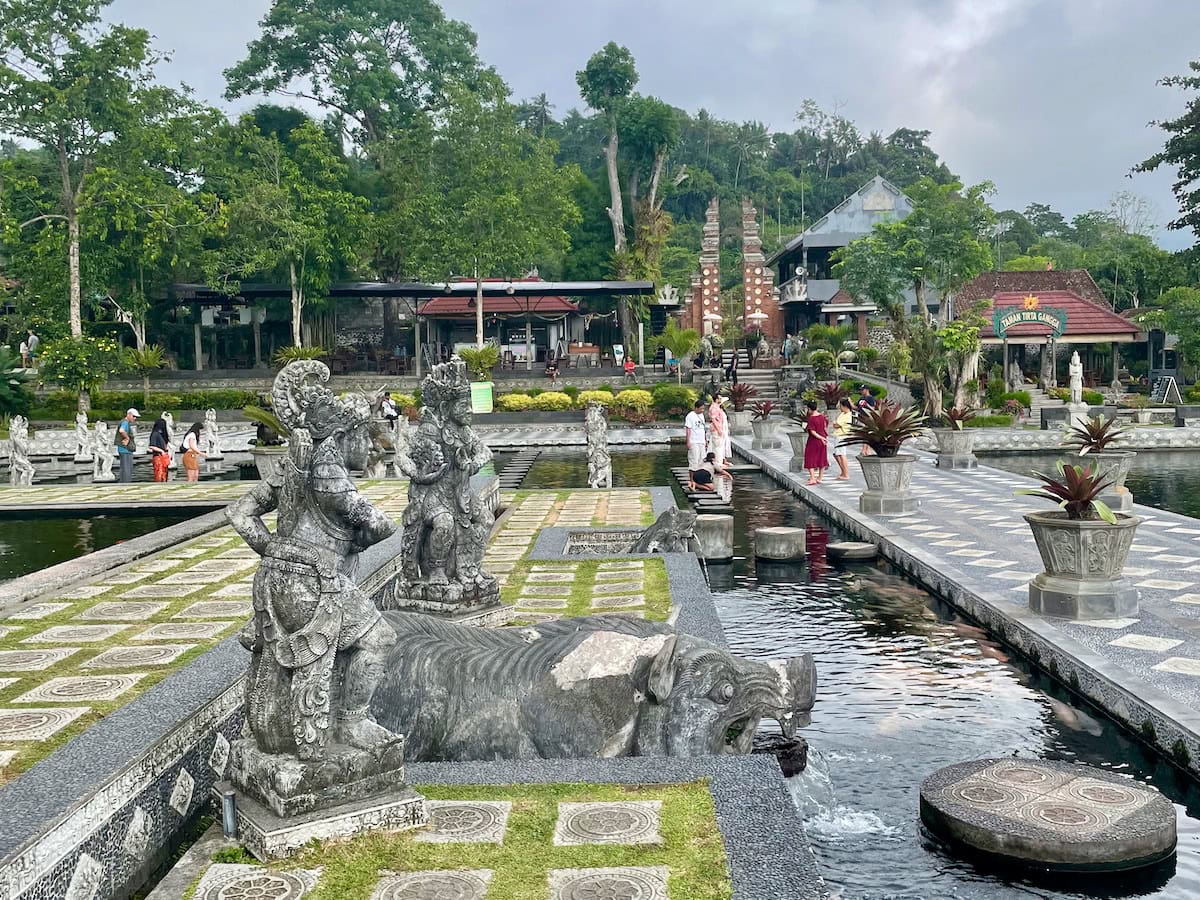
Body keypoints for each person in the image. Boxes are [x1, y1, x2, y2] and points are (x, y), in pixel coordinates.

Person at [802, 399, 829, 486]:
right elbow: (825, 426)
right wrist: (824, 438)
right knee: (822, 458)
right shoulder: (822, 416)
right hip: (823, 440)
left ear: (809, 409)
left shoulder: (811, 419)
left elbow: (812, 431)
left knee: (810, 457)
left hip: (814, 441)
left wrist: (820, 437)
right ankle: (820, 478)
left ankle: (813, 478)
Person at [684, 400, 707, 485]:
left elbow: (703, 429)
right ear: (696, 408)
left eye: (703, 409)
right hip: (694, 441)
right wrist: (688, 441)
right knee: (694, 460)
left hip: (701, 441)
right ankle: (691, 480)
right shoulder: (690, 416)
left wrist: (705, 440)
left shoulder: (702, 415)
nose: (702, 410)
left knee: (702, 460)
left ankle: (699, 480)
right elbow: (688, 429)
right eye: (701, 409)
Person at [832, 398, 854, 481]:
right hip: (837, 435)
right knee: (836, 454)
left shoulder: (848, 415)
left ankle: (846, 473)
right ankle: (843, 471)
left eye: (840, 406)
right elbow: (835, 424)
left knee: (841, 454)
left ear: (844, 406)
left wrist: (836, 424)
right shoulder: (842, 414)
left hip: (842, 436)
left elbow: (837, 424)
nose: (840, 407)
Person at [116, 408, 139, 483]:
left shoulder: (125, 422)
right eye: (134, 416)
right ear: (129, 414)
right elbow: (121, 430)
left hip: (124, 449)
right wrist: (127, 438)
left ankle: (124, 482)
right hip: (125, 450)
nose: (135, 418)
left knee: (125, 468)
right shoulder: (125, 422)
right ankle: (126, 484)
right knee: (127, 468)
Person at [708, 395, 730, 466]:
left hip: (719, 428)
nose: (720, 400)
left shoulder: (716, 407)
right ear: (716, 399)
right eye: (720, 398)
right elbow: (713, 419)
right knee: (718, 447)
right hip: (717, 430)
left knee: (719, 447)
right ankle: (718, 463)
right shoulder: (714, 408)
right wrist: (719, 430)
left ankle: (718, 462)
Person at [148, 416, 170, 482]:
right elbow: (151, 446)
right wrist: (162, 451)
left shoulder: (160, 434)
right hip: (158, 456)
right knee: (159, 474)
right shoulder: (155, 434)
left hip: (163, 456)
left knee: (164, 474)